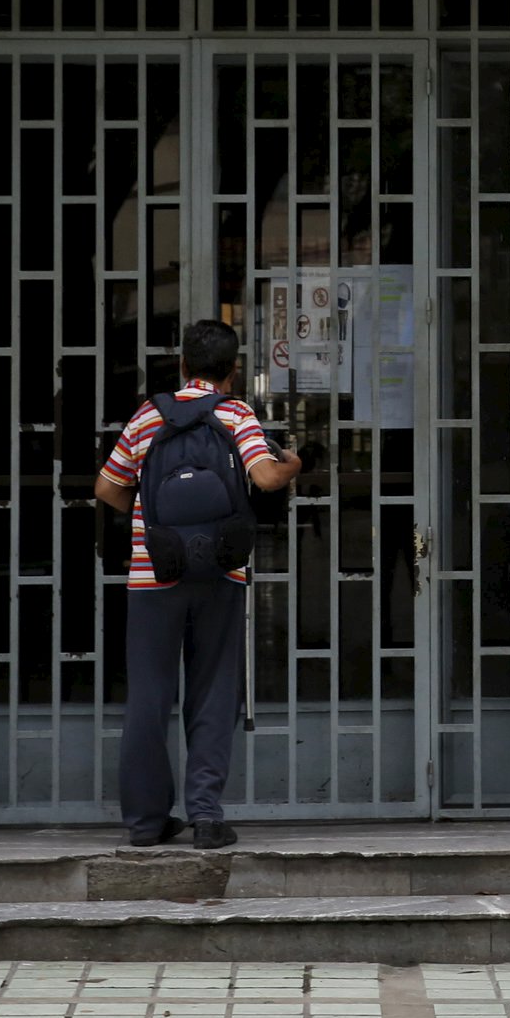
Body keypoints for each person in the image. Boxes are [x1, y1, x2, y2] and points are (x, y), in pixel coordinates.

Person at [95, 319, 300, 848]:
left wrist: (149, 518)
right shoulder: (235, 414)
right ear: (233, 371)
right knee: (213, 691)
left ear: (182, 365)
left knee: (148, 694)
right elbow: (265, 477)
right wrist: (293, 465)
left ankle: (145, 823)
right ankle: (206, 817)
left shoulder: (147, 415)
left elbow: (108, 487)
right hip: (220, 572)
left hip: (153, 573)